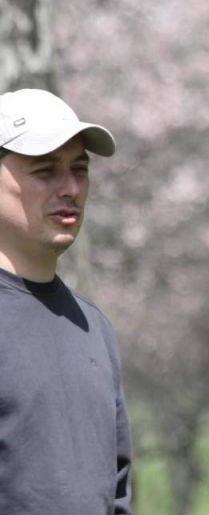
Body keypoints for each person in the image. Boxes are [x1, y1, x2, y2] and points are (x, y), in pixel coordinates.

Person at [0, 88, 133, 514]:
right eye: (45, 170)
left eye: (80, 169)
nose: (71, 188)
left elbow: (117, 491)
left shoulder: (93, 326)